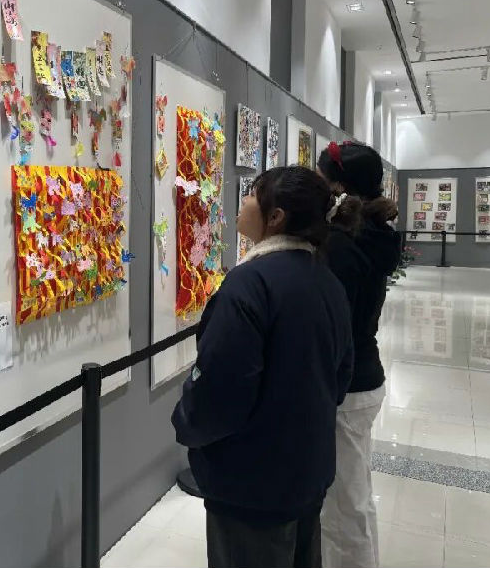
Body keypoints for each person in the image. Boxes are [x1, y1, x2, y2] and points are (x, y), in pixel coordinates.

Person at [172, 166, 354, 568]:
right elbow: (340, 377)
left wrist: (185, 421)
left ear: (276, 217)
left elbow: (219, 392)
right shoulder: (325, 279)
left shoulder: (250, 284)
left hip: (251, 483)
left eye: (253, 193)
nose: (244, 200)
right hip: (307, 470)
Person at [317, 142, 402, 568]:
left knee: (345, 503)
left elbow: (334, 325)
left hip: (347, 385)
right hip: (363, 376)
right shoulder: (370, 236)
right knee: (353, 492)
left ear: (337, 188)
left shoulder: (343, 245)